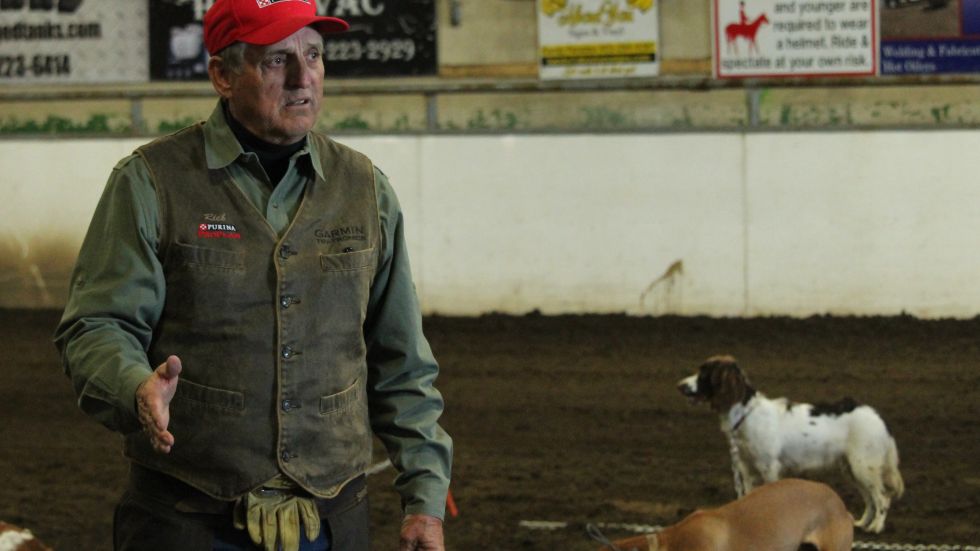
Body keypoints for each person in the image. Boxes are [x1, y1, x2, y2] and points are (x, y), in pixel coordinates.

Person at [53, 0, 452, 549]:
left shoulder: (365, 189)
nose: (302, 78)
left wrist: (425, 499)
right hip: (185, 518)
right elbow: (96, 326)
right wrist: (133, 386)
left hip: (332, 520)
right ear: (221, 74)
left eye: (313, 55)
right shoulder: (150, 182)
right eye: (275, 61)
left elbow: (400, 358)